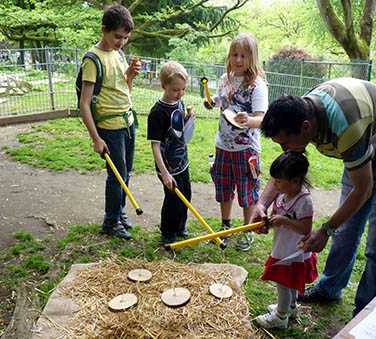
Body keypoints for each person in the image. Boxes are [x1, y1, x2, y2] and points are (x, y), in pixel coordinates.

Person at [255, 77, 376, 317]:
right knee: (347, 229)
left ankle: (365, 315)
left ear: (307, 127)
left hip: (363, 135)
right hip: (361, 146)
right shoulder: (305, 109)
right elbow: (285, 167)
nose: (285, 150)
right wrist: (262, 203)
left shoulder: (347, 128)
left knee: (375, 247)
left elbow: (362, 189)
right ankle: (330, 288)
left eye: (286, 142)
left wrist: (326, 230)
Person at [79, 4, 141, 240]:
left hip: (128, 123)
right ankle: (110, 221)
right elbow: (84, 104)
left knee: (126, 173)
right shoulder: (92, 60)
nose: (121, 42)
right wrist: (96, 138)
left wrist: (130, 76)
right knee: (116, 176)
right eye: (117, 36)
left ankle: (119, 211)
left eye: (125, 38)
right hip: (109, 128)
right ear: (103, 29)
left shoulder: (119, 54)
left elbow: (124, 89)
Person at [204, 32, 268, 250]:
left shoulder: (257, 86)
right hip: (223, 145)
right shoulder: (225, 79)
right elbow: (221, 100)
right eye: (234, 54)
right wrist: (212, 102)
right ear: (229, 56)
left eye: (243, 55)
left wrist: (248, 120)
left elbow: (262, 118)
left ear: (252, 58)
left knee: (247, 190)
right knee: (223, 187)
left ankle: (246, 230)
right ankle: (225, 226)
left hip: (246, 149)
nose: (238, 60)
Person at [254, 151, 318, 329]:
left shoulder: (304, 201)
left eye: (279, 181)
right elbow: (279, 217)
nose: (274, 184)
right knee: (289, 282)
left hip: (293, 251)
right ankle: (290, 307)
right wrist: (270, 223)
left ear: (295, 181)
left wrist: (284, 221)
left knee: (284, 283)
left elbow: (305, 229)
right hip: (283, 246)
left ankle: (280, 318)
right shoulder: (283, 195)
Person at [147, 61, 194, 244]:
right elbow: (155, 146)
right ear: (164, 86)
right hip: (167, 166)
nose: (180, 93)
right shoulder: (157, 113)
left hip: (182, 161)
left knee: (186, 195)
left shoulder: (179, 103)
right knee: (173, 199)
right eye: (176, 90)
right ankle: (167, 233)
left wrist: (188, 119)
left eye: (183, 89)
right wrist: (165, 173)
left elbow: (179, 128)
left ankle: (180, 227)